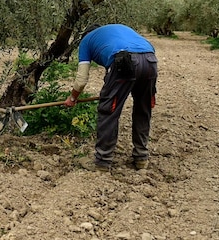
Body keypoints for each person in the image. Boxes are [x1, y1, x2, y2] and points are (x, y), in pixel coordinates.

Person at [64, 24, 158, 172]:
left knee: (109, 111)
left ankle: (102, 162)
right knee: (143, 109)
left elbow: (81, 80)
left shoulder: (86, 41)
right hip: (150, 60)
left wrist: (73, 98)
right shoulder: (117, 30)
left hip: (124, 61)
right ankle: (141, 157)